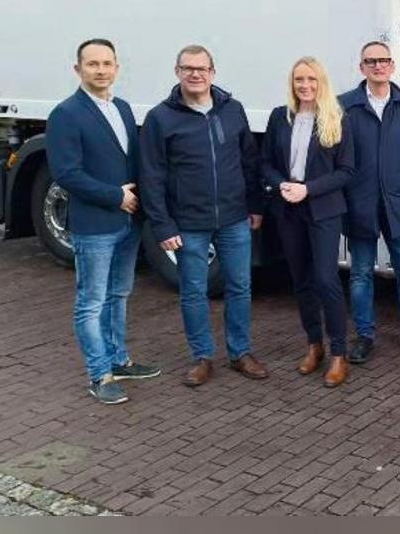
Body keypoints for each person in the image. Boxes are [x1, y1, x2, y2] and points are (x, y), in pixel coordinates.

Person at [140, 44, 268, 387]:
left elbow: (249, 161)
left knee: (240, 286)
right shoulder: (160, 118)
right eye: (188, 68)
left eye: (202, 68)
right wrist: (162, 225)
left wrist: (255, 205)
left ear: (212, 72)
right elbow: (151, 176)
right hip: (188, 223)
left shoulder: (232, 110)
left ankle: (240, 352)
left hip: (234, 218)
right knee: (194, 291)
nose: (195, 74)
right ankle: (202, 357)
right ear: (177, 72)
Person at [47, 38, 161, 405]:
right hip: (95, 224)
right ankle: (99, 374)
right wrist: (115, 196)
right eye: (93, 64)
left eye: (107, 63)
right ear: (77, 69)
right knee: (91, 302)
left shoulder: (122, 108)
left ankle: (118, 360)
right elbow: (66, 173)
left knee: (119, 294)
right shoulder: (65, 114)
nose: (101, 70)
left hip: (127, 223)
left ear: (116, 68)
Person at [340, 40, 400, 363]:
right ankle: (364, 336)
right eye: (371, 61)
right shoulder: (345, 106)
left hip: (399, 204)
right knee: (360, 275)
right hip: (360, 204)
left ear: (392, 66)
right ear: (362, 68)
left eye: (383, 60)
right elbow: (336, 156)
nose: (378, 66)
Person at [262, 57, 355, 387]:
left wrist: (308, 189)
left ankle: (339, 354)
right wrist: (281, 184)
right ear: (292, 83)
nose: (305, 85)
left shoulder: (337, 117)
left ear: (321, 82)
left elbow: (346, 171)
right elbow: (266, 163)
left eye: (311, 79)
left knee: (326, 280)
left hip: (323, 210)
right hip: (289, 210)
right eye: (299, 79)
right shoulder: (280, 116)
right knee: (300, 280)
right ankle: (314, 345)